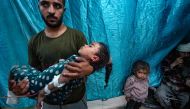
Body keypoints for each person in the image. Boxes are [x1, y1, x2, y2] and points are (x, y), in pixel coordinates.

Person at [9, 0, 95, 108]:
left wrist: (90, 69)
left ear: (64, 10)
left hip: (75, 102)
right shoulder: (34, 41)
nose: (51, 11)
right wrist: (22, 89)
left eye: (57, 5)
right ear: (39, 7)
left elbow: (89, 63)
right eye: (45, 4)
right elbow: (36, 76)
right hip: (49, 102)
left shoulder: (77, 36)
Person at [8, 42, 110, 102]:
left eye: (90, 46)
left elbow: (60, 81)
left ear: (94, 58)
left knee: (15, 69)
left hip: (39, 87)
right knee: (26, 68)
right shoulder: (79, 64)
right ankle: (13, 97)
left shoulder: (76, 67)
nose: (85, 44)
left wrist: (43, 93)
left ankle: (12, 99)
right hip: (44, 80)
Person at [155, 42, 190, 109]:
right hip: (168, 85)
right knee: (160, 93)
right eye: (183, 52)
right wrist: (173, 64)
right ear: (178, 51)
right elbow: (162, 71)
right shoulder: (170, 57)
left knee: (187, 99)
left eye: (188, 53)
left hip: (182, 89)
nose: (186, 55)